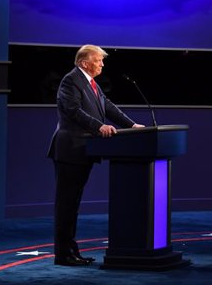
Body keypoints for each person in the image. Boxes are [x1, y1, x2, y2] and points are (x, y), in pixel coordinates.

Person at [48, 44, 144, 266]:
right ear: (84, 63)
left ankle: (72, 252)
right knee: (67, 205)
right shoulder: (70, 81)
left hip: (83, 150)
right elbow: (73, 110)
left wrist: (131, 125)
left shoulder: (91, 84)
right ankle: (63, 255)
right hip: (70, 149)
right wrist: (99, 126)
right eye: (99, 60)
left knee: (73, 204)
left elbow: (108, 107)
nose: (102, 64)